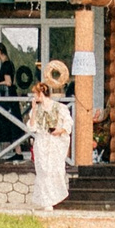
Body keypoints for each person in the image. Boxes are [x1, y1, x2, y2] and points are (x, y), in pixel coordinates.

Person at [27, 80, 72, 210]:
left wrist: (61, 130)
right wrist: (34, 109)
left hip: (55, 141)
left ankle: (55, 197)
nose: (34, 97)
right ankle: (47, 201)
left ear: (41, 93)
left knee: (55, 169)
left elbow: (68, 122)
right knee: (43, 170)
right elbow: (32, 127)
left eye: (35, 94)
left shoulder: (59, 107)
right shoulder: (37, 109)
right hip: (42, 141)